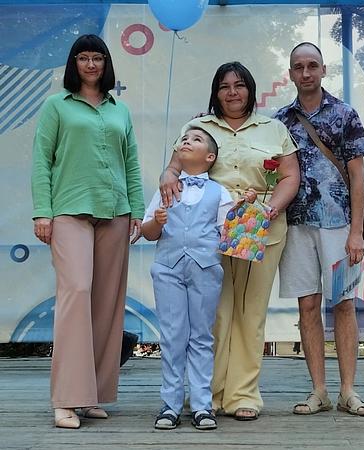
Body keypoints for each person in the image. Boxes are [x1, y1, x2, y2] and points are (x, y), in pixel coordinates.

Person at [160, 62, 300, 420]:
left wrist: (271, 209)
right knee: (214, 314)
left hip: (260, 227)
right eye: (224, 86)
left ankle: (243, 396)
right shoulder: (199, 128)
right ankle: (208, 394)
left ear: (250, 89)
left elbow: (289, 177)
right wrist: (167, 175)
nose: (232, 92)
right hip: (209, 231)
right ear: (215, 92)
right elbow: (175, 167)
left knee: (250, 313)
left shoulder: (274, 128)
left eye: (239, 85)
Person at [31, 34, 144, 429]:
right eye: (84, 57)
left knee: (106, 304)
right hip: (68, 211)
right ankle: (66, 398)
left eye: (98, 58)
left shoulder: (120, 110)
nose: (91, 64)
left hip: (116, 212)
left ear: (106, 64)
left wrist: (137, 210)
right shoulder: (56, 105)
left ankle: (92, 394)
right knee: (76, 292)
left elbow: (131, 161)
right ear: (74, 63)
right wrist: (42, 213)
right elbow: (41, 160)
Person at [274, 42, 364, 417]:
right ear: (290, 73)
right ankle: (319, 390)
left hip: (338, 224)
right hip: (296, 225)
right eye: (298, 66)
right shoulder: (280, 121)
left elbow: (358, 177)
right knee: (307, 305)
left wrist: (356, 231)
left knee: (344, 303)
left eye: (312, 65)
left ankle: (348, 390)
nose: (306, 72)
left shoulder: (345, 114)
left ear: (323, 69)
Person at [143, 127, 233, 431]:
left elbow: (230, 234)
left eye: (196, 139)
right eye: (184, 138)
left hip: (205, 269)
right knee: (172, 335)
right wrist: (157, 222)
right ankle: (170, 404)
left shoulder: (219, 192)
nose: (187, 141)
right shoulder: (166, 189)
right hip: (167, 268)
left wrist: (245, 210)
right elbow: (148, 233)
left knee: (201, 336)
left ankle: (201, 404)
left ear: (210, 157)